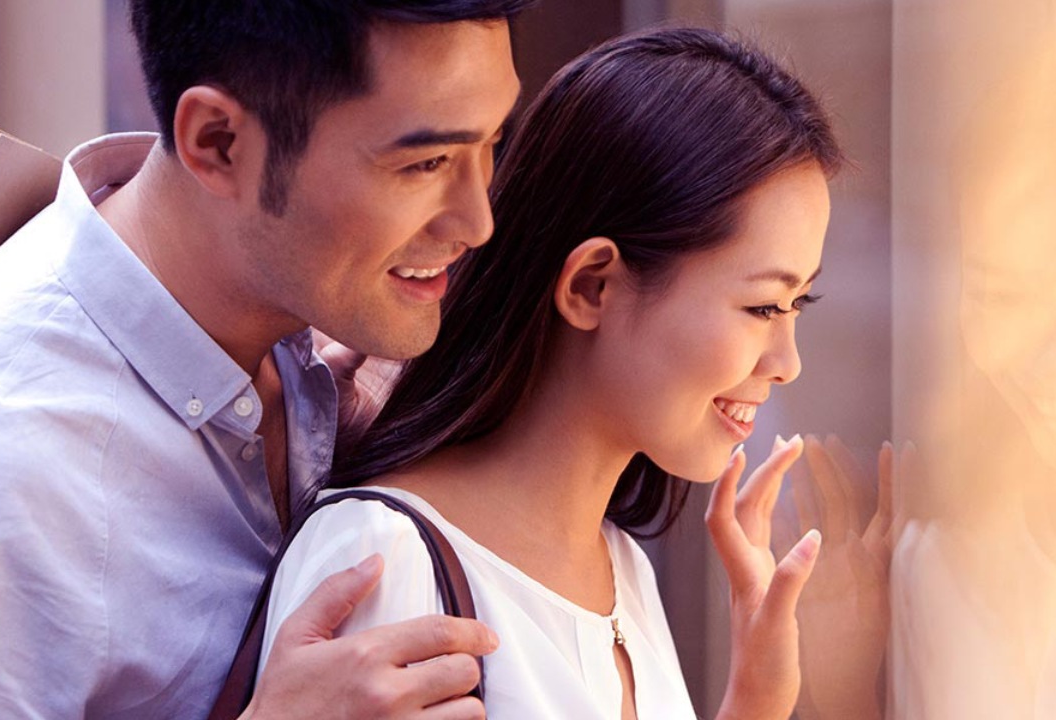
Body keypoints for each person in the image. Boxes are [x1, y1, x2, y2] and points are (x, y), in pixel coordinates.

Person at [0, 2, 529, 717]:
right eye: (425, 163)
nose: (479, 219)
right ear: (218, 142)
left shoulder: (310, 344)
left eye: (490, 142)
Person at [257, 28, 843, 719]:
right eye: (763, 306)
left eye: (798, 304)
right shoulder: (382, 561)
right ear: (593, 286)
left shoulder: (622, 571)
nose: (787, 363)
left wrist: (757, 699)